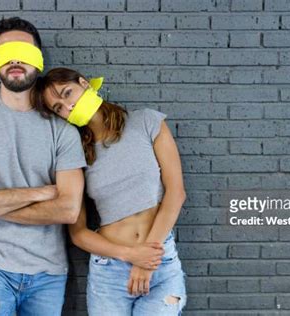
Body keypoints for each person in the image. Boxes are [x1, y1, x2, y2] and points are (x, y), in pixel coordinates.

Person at [0, 17, 88, 315]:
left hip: (49, 277)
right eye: (6, 52)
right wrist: (41, 193)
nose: (16, 60)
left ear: (39, 60)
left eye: (24, 51)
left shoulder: (62, 131)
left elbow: (68, 210)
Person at [34, 67, 188, 315]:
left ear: (84, 83)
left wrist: (146, 258)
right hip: (110, 270)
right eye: (58, 108)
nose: (68, 107)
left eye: (67, 94)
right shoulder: (76, 154)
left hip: (159, 262)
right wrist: (131, 255)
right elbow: (79, 233)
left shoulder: (146, 121)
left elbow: (176, 193)